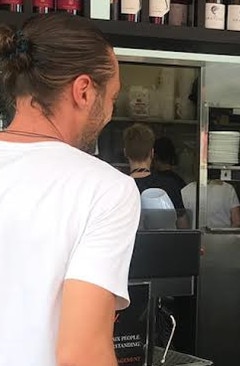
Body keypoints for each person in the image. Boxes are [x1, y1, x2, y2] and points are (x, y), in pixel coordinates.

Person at [0, 13, 140, 366]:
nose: (109, 111)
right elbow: (83, 354)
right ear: (83, 91)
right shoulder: (106, 189)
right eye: (112, 97)